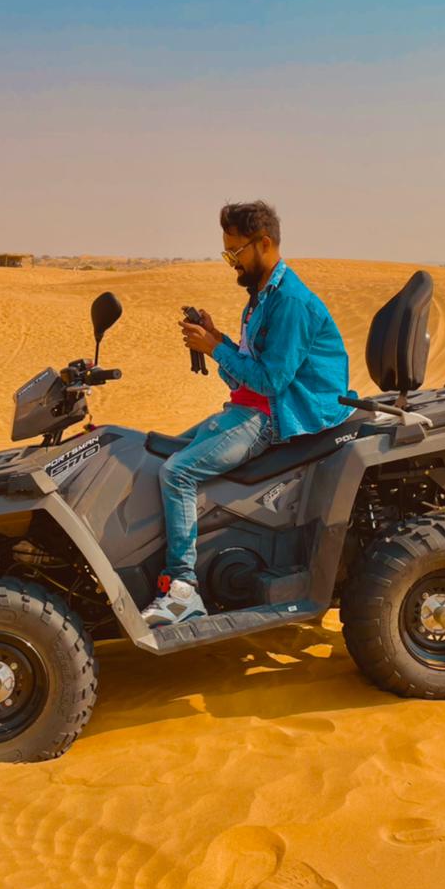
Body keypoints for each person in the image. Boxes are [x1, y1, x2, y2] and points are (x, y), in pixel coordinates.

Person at [141, 199, 352, 627]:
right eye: (227, 254)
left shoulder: (290, 302)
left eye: (235, 253)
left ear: (265, 244)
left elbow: (271, 381)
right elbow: (245, 375)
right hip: (250, 407)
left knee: (177, 472)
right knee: (158, 454)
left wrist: (213, 348)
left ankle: (183, 590)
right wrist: (218, 339)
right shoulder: (260, 298)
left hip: (280, 415)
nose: (230, 263)